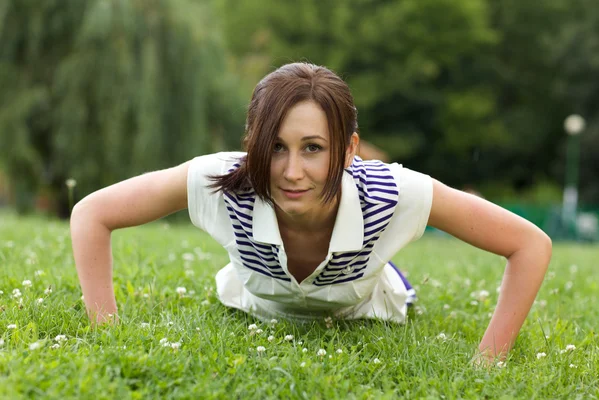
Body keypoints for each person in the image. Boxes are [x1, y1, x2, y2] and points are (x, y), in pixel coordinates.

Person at [70, 62, 552, 364]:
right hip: (256, 302)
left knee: (376, 269)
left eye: (313, 148)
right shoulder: (218, 180)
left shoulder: (395, 192)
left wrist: (491, 359)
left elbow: (529, 244)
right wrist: (105, 331)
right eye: (275, 147)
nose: (292, 171)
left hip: (365, 307)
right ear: (250, 144)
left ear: (348, 151)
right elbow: (92, 213)